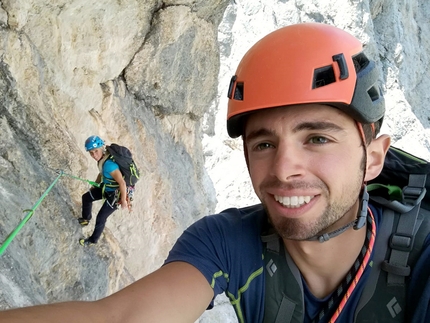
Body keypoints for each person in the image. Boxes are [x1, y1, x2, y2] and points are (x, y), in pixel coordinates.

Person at [1, 23, 429, 323]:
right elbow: (118, 317)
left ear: (374, 157)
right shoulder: (225, 242)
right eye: (263, 144)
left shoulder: (422, 252)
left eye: (317, 138)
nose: (283, 169)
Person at [78, 135, 127, 246]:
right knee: (86, 197)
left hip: (115, 195)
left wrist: (123, 200)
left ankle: (92, 240)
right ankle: (86, 219)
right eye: (91, 153)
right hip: (106, 188)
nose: (94, 155)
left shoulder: (109, 165)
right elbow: (101, 173)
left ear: (101, 148)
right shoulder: (102, 160)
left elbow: (122, 183)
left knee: (101, 217)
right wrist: (95, 185)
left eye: (96, 151)